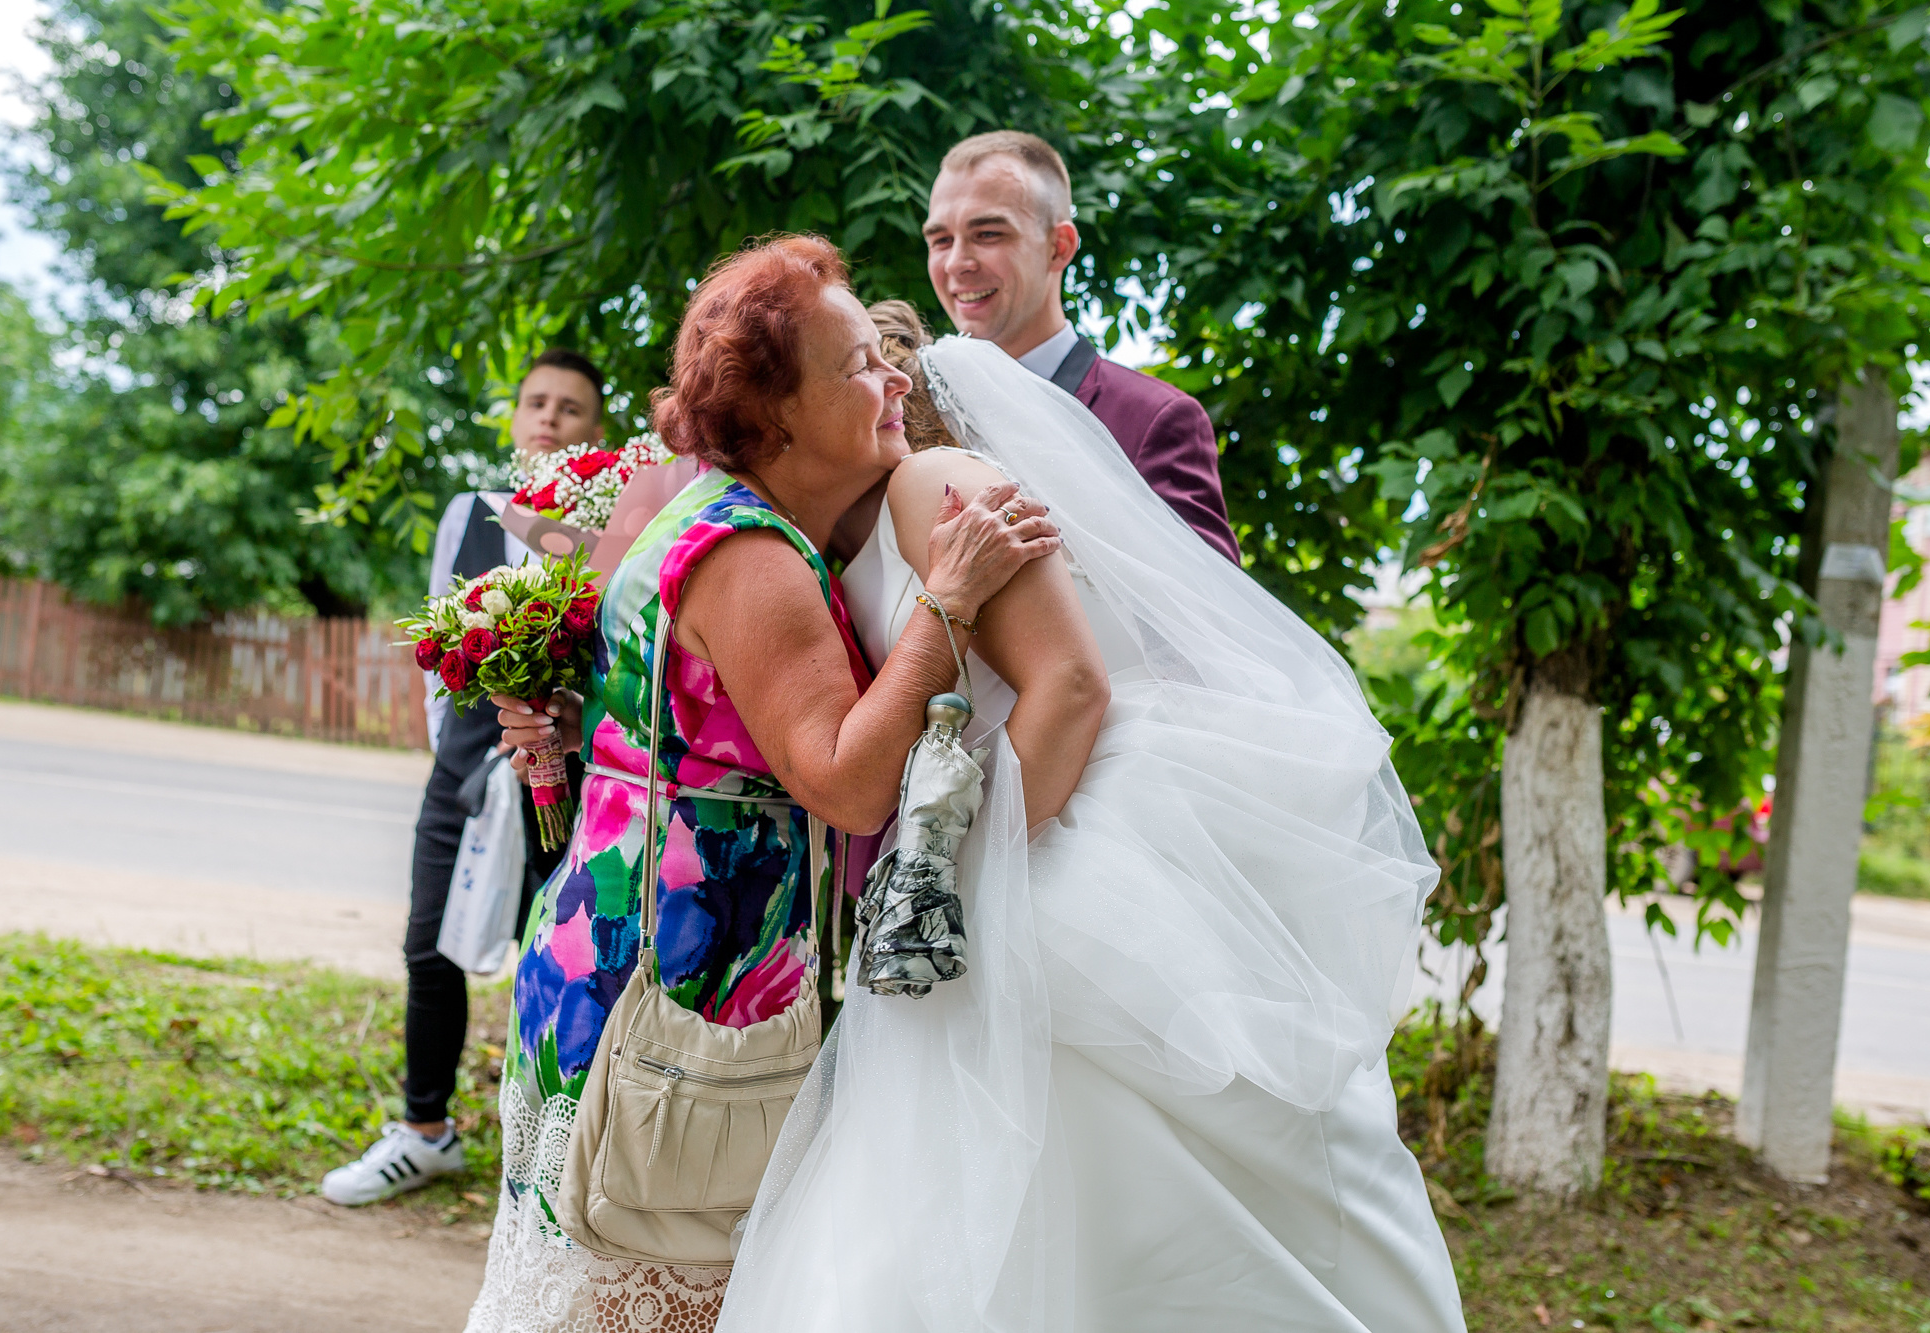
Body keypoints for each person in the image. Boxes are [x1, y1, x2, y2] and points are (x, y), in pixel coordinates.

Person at [713, 306, 1466, 1330]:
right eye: (854, 370)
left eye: (885, 369)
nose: (884, 386)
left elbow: (1071, 685)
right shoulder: (828, 538)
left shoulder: (934, 486)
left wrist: (960, 873)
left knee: (1107, 1146)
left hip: (1065, 826)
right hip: (1015, 820)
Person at [463, 236, 1059, 1332]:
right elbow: (846, 784)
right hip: (683, 1006)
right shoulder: (752, 556)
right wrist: (952, 598)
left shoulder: (707, 517)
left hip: (610, 968)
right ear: (776, 414)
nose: (894, 379)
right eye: (858, 367)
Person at [321, 349, 606, 1207]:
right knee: (428, 944)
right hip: (466, 772)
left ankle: (548, 1157)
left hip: (568, 781)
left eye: (570, 408)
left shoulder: (612, 530)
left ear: (595, 430)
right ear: (515, 418)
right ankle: (424, 1133)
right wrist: (453, 753)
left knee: (555, 960)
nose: (549, 417)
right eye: (536, 402)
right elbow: (434, 643)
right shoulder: (470, 514)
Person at [923, 130, 1242, 563]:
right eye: (941, 240)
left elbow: (1208, 600)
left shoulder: (1156, 419)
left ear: (1059, 247)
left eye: (989, 234)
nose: (957, 262)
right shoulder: (910, 411)